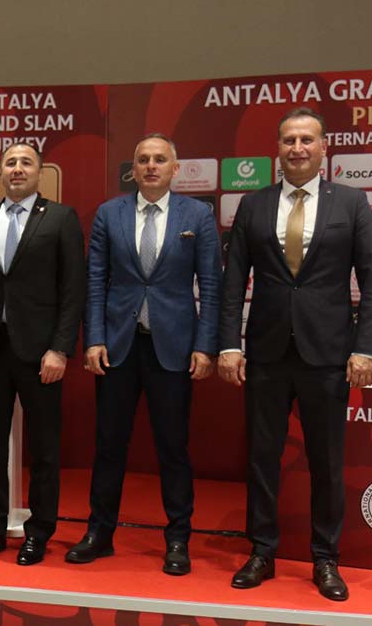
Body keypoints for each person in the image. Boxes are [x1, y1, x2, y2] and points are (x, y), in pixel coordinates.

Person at [218, 107, 372, 601]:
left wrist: (365, 348)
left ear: (323, 147)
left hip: (329, 353)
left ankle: (325, 558)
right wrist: (228, 344)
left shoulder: (351, 202)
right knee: (261, 458)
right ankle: (262, 551)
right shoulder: (253, 204)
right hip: (266, 352)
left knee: (326, 462)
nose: (297, 148)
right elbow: (233, 282)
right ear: (278, 148)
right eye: (289, 140)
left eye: (307, 140)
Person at [67, 134, 222, 574]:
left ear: (175, 168)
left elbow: (211, 285)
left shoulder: (198, 215)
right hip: (118, 346)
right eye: (143, 160)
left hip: (173, 348)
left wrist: (205, 345)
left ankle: (178, 538)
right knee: (109, 445)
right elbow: (95, 280)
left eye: (159, 159)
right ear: (132, 170)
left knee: (173, 447)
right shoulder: (109, 213)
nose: (151, 166)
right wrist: (93, 338)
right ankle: (100, 533)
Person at [0, 142, 85, 566]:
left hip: (41, 354)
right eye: (10, 162)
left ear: (39, 172)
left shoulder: (61, 218)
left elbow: (73, 291)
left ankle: (39, 532)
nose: (17, 169)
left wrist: (60, 349)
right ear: (0, 171)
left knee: (44, 449)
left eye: (25, 162)